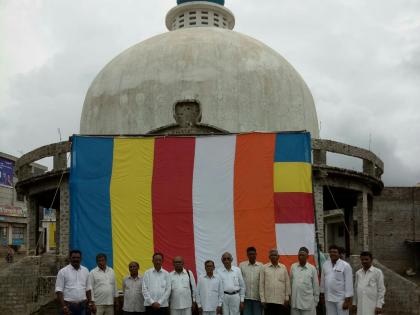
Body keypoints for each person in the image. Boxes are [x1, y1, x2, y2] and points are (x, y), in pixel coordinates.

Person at [55, 250, 93, 315]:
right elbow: (59, 290)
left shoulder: (85, 270)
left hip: (82, 307)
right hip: (68, 307)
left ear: (81, 258)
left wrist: (90, 303)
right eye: (74, 257)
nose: (76, 259)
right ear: (70, 258)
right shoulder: (63, 272)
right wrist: (64, 306)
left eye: (78, 258)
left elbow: (88, 289)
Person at [320, 245, 353, 315]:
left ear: (339, 254)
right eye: (331, 252)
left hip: (341, 299)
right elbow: (323, 280)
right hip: (328, 298)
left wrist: (347, 301)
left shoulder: (345, 265)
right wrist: (322, 294)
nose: (332, 254)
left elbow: (349, 283)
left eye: (335, 252)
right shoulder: (325, 264)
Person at [259, 248, 291, 315]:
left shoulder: (283, 267)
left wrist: (287, 297)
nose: (273, 256)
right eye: (272, 255)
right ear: (269, 257)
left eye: (275, 255)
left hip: (281, 300)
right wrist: (262, 299)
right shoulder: (264, 267)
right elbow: (261, 284)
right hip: (268, 301)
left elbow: (287, 283)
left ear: (278, 256)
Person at [290, 247, 319, 315]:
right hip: (295, 303)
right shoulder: (293, 267)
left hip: (308, 304)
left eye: (303, 255)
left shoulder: (312, 268)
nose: (300, 257)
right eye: (299, 255)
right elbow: (291, 283)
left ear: (307, 256)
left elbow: (316, 286)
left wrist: (315, 302)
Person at [239, 246, 263, 315]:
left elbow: (262, 282)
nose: (252, 256)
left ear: (256, 254)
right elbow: (240, 283)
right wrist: (241, 299)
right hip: (246, 298)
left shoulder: (261, 266)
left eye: (253, 254)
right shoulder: (242, 265)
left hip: (257, 298)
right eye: (250, 254)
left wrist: (263, 299)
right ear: (247, 255)